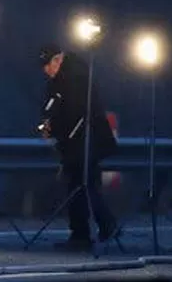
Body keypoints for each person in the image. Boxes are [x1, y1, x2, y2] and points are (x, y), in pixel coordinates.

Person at [39, 44, 120, 250]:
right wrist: (49, 124)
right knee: (84, 186)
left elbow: (74, 112)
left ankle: (87, 232)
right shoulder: (66, 78)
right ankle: (93, 229)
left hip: (84, 141)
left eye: (47, 65)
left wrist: (54, 126)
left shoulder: (74, 77)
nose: (46, 71)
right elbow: (55, 108)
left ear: (57, 60)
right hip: (78, 141)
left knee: (81, 185)